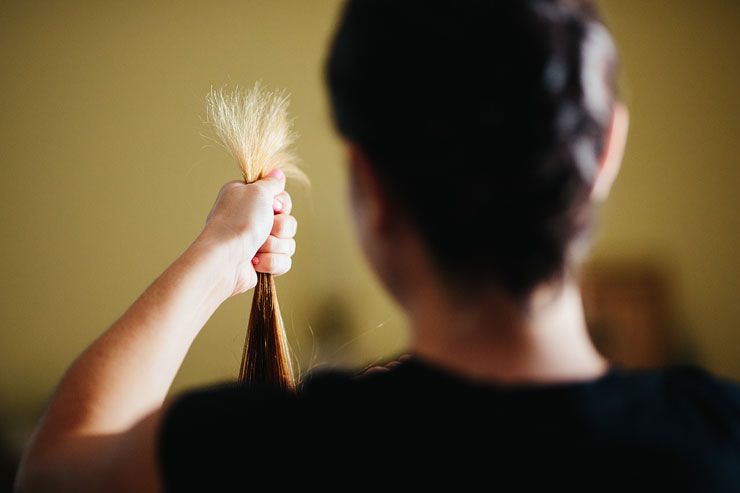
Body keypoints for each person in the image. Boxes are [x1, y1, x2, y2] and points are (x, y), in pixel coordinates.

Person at [15, 0, 740, 491]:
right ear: (608, 148)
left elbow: (51, 466)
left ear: (371, 190)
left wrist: (215, 258)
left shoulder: (282, 454)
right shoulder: (719, 436)